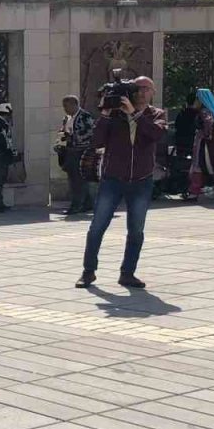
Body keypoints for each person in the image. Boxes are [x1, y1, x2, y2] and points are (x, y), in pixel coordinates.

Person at [76, 76, 168, 290]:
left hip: (141, 180)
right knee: (97, 226)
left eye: (147, 89)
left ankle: (127, 273)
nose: (142, 92)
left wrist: (134, 114)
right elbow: (97, 141)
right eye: (138, 88)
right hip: (113, 179)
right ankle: (88, 272)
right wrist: (106, 116)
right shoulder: (115, 115)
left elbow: (155, 134)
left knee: (136, 230)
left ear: (153, 92)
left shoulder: (157, 114)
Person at [57, 95, 95, 215]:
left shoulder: (84, 116)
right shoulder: (67, 118)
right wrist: (60, 142)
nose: (65, 109)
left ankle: (76, 205)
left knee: (78, 179)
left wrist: (73, 137)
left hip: (81, 151)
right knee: (74, 177)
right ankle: (87, 203)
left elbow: (90, 132)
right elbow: (63, 132)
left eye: (66, 106)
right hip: (69, 151)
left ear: (74, 104)